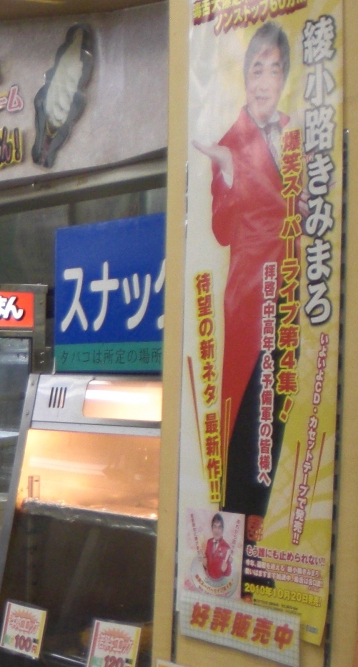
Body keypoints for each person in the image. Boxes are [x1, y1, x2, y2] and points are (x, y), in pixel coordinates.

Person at [193, 22, 293, 531]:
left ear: (284, 78)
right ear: (244, 76)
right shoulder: (230, 142)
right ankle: (237, 536)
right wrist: (231, 173)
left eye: (274, 69)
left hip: (291, 292)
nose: (265, 80)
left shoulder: (297, 133)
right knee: (249, 420)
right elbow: (220, 228)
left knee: (276, 419)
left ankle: (258, 535)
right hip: (252, 298)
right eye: (257, 69)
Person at [203, 513, 233, 582]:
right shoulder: (209, 542)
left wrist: (225, 569)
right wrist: (204, 562)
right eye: (215, 527)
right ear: (212, 528)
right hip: (208, 579)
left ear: (223, 529)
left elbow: (228, 572)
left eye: (219, 527)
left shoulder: (226, 547)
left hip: (219, 583)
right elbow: (206, 557)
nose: (217, 530)